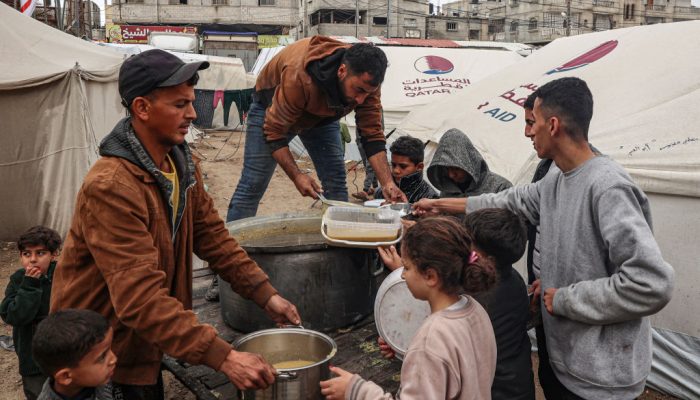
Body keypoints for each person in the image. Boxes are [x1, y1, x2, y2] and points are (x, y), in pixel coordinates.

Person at [50, 49, 301, 399]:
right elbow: (139, 298)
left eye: (192, 101)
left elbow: (212, 237)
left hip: (144, 334)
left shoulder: (180, 163)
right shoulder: (112, 185)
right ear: (142, 108)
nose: (193, 113)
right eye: (180, 104)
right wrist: (224, 357)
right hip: (100, 349)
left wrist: (266, 294)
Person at [414, 77, 675, 399]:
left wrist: (564, 297)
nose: (527, 132)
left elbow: (650, 284)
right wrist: (438, 205)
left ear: (552, 125)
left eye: (531, 123)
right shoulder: (555, 178)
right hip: (563, 358)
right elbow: (507, 200)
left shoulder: (608, 188)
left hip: (600, 377)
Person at [226, 36, 406, 223]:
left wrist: (388, 183)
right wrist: (297, 175)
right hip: (271, 110)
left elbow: (372, 135)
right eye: (359, 90)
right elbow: (274, 132)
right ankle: (232, 248)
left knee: (335, 181)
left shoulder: (367, 81)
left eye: (368, 93)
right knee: (253, 183)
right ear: (342, 71)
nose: (361, 100)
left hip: (322, 118)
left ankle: (338, 243)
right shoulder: (299, 76)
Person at [320, 217, 497, 400]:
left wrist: (355, 390)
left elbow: (434, 354)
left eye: (406, 267)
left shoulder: (431, 341)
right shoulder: (476, 310)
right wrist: (406, 354)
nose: (402, 275)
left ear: (430, 276)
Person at [463, 209, 535, 400]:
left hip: (494, 391)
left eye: (469, 245)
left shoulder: (478, 295)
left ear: (488, 260)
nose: (463, 248)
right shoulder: (513, 279)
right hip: (518, 384)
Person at [1, 226, 62, 400]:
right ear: (20, 256)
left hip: (63, 353)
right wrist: (29, 286)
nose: (33, 260)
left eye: (40, 253)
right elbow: (13, 316)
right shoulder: (19, 280)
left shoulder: (63, 275)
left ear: (54, 254)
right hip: (31, 357)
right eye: (27, 254)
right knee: (37, 394)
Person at [33, 309, 116, 400]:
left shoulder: (98, 379)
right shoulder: (96, 378)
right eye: (102, 357)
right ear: (66, 376)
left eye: (110, 349)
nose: (114, 359)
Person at [426, 128, 512, 198]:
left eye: (456, 168)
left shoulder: (500, 188)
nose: (451, 175)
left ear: (470, 163)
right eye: (447, 169)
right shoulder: (447, 189)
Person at [374, 135, 438, 203]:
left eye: (403, 166)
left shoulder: (431, 198)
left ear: (419, 167)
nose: (396, 170)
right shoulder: (382, 192)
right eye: (393, 165)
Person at [351, 128, 378, 201]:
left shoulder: (377, 116)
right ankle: (376, 188)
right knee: (368, 166)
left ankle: (365, 190)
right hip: (361, 143)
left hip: (371, 142)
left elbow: (381, 127)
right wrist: (358, 142)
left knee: (370, 166)